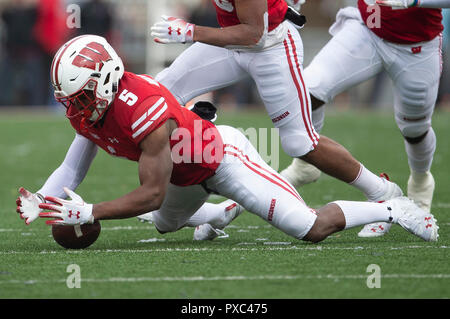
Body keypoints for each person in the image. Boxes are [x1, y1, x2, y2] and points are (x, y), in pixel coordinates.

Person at [15, 35, 438, 245]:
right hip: (187, 175)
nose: (76, 107)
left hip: (222, 159)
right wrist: (45, 200)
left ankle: (391, 205)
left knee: (307, 227)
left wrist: (88, 210)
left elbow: (151, 193)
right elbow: (73, 166)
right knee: (166, 226)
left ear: (105, 81)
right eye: (71, 98)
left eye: (82, 95)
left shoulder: (141, 106)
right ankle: (223, 213)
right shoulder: (93, 108)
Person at [149, 0, 406, 240]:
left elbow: (254, 34)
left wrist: (190, 31)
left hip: (270, 46)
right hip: (233, 42)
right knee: (158, 96)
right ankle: (199, 196)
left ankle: (383, 192)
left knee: (300, 143)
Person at [280, 0, 445, 238]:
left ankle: (420, 183)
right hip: (368, 29)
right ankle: (306, 165)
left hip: (416, 44)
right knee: (308, 91)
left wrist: (413, 1)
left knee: (414, 128)